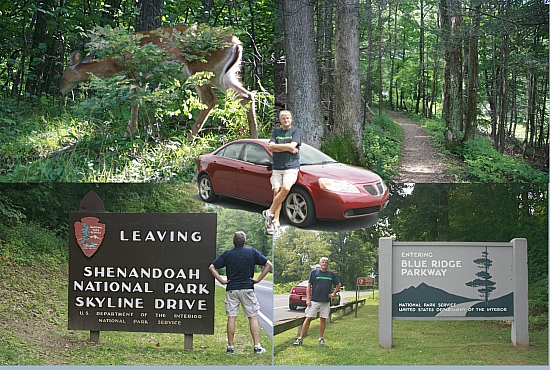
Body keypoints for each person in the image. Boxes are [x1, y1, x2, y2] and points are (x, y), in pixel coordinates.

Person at [209, 231, 272, 355]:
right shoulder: (252, 252)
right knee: (252, 316)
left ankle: (230, 347)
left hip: (232, 289)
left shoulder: (227, 254)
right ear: (245, 242)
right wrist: (258, 280)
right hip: (247, 289)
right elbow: (268, 264)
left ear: (233, 242)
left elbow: (211, 267)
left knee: (231, 317)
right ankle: (257, 346)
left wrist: (221, 280)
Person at [262, 110, 302, 235]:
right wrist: (288, 148)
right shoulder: (276, 132)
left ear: (291, 119)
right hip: (277, 167)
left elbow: (291, 145)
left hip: (291, 167)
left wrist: (278, 147)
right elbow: (270, 147)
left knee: (285, 188)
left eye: (288, 118)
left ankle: (269, 212)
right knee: (276, 192)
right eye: (283, 118)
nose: (286, 120)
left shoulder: (296, 132)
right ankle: (276, 221)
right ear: (280, 120)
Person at [293, 257, 341, 346]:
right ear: (320, 263)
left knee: (323, 319)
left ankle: (321, 338)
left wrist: (334, 293)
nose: (324, 264)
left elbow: (338, 284)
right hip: (314, 300)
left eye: (326, 262)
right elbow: (309, 286)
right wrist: (308, 299)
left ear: (328, 264)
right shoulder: (314, 273)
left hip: (325, 301)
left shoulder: (330, 274)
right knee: (308, 318)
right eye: (323, 262)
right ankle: (300, 338)